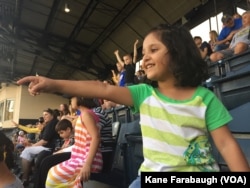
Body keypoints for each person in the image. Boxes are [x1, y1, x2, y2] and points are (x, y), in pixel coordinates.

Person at [17, 23, 250, 188]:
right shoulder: (144, 94)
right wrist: (52, 83)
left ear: (178, 53)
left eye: (154, 50)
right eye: (144, 51)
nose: (145, 58)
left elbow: (226, 145)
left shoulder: (204, 98)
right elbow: (103, 89)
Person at [44, 97, 103, 187]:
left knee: (52, 177)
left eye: (72, 98)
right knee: (52, 173)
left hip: (89, 160)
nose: (70, 101)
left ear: (81, 98)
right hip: (81, 158)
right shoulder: (84, 114)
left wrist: (87, 164)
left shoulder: (86, 115)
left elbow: (96, 137)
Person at [19, 108, 60, 186]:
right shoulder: (49, 124)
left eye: (46, 114)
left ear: (52, 115)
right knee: (27, 151)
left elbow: (45, 141)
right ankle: (27, 176)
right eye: (43, 115)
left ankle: (25, 178)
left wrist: (32, 146)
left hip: (49, 148)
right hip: (46, 147)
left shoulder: (52, 123)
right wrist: (31, 145)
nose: (44, 116)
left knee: (27, 151)